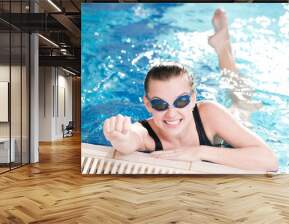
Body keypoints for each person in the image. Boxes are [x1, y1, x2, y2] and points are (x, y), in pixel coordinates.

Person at [103, 9, 278, 172]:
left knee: (240, 100)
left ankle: (222, 45)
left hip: (221, 125)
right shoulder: (147, 133)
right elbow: (130, 140)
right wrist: (119, 138)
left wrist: (200, 152)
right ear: (148, 104)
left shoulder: (209, 113)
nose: (171, 113)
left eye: (181, 101)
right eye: (159, 104)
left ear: (193, 99)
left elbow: (270, 161)